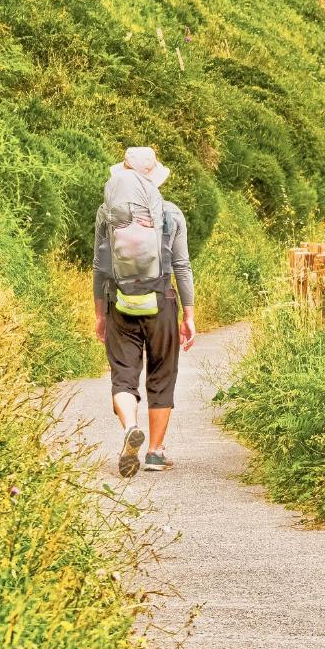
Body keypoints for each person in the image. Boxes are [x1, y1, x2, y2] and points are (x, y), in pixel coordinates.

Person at [93, 146, 196, 477]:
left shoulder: (106, 214)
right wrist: (189, 315)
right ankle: (154, 452)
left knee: (123, 374)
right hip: (162, 300)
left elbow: (99, 267)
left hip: (119, 301)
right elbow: (182, 266)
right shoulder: (171, 214)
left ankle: (128, 430)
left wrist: (100, 314)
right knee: (162, 374)